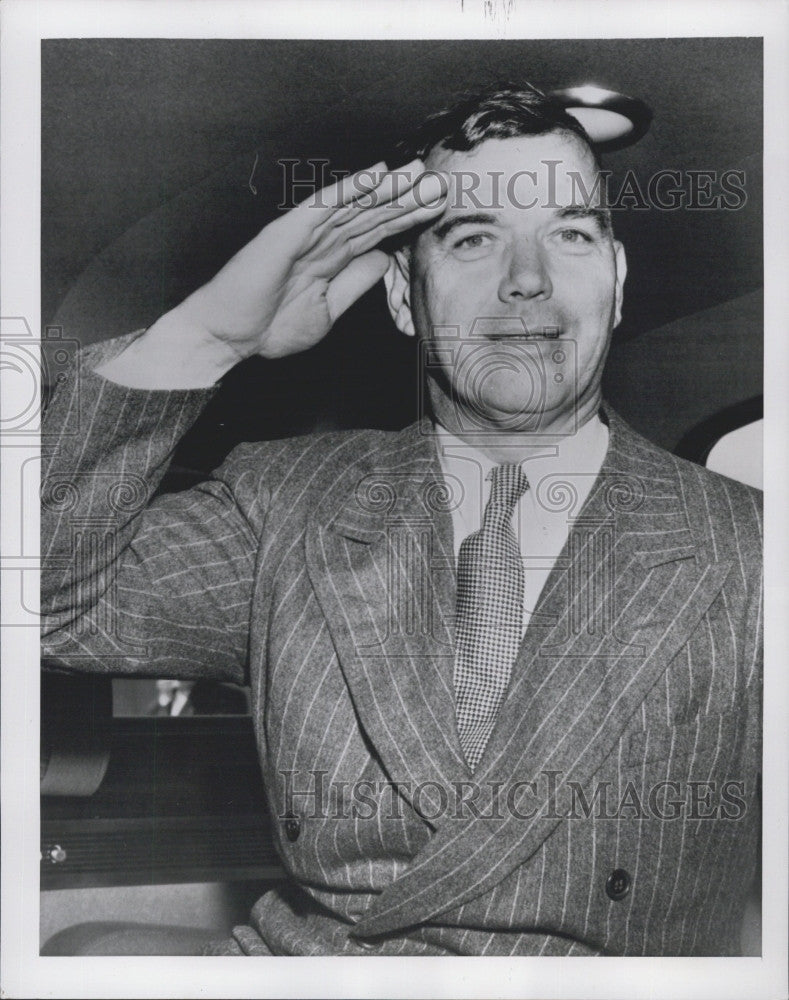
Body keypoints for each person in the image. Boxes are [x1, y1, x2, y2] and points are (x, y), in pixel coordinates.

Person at [41, 85, 762, 956]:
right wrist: (205, 338)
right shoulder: (287, 505)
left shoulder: (750, 548)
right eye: (472, 237)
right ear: (403, 300)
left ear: (614, 284)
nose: (526, 278)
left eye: (570, 233)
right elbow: (39, 598)